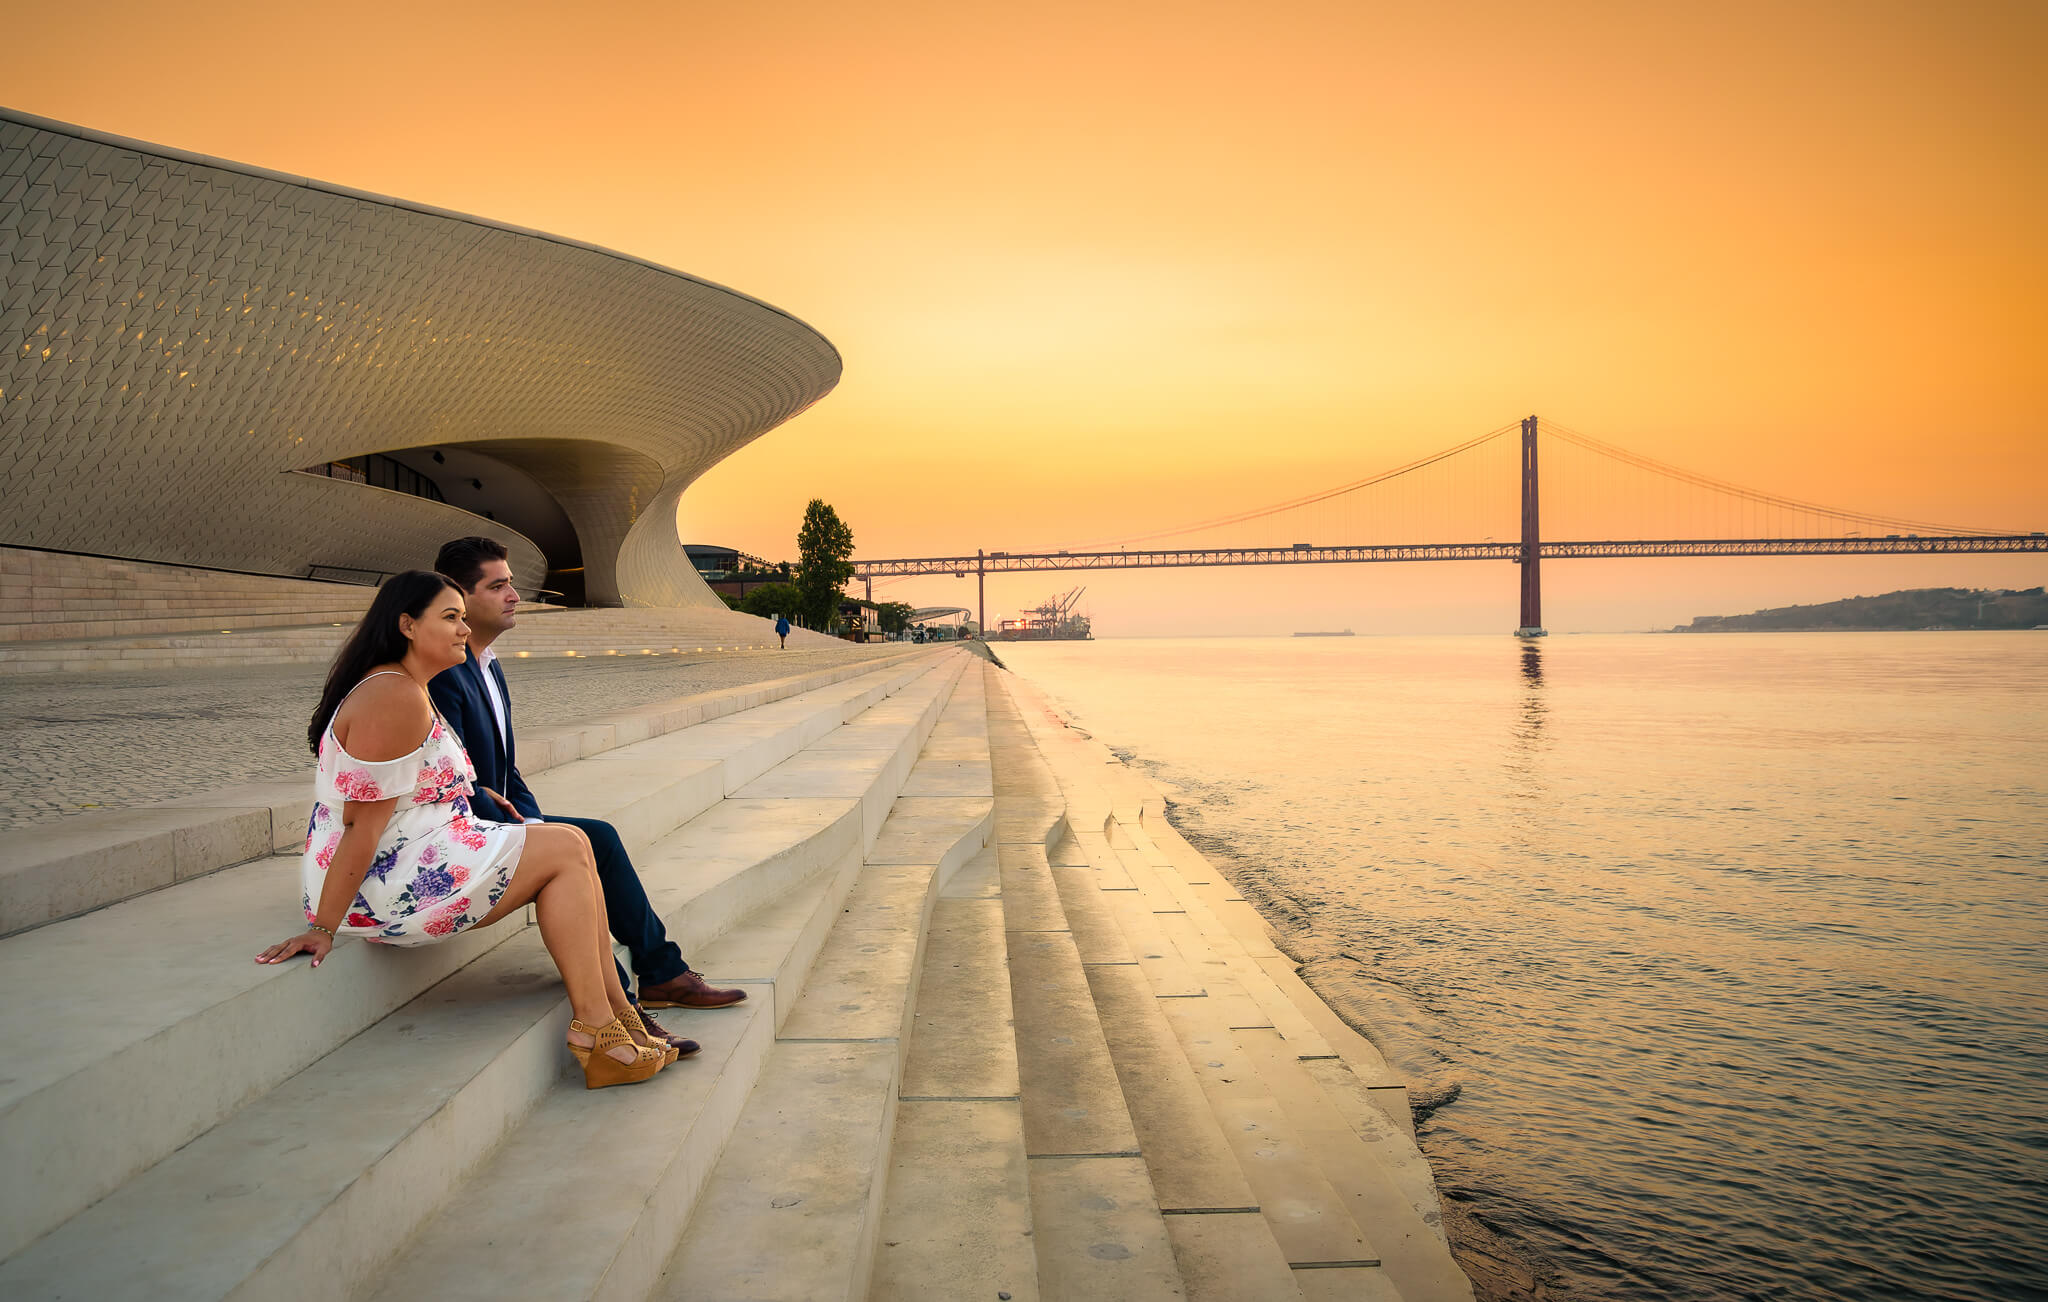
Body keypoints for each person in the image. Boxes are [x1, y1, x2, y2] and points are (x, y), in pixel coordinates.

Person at [257, 571, 672, 1090]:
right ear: (407, 624)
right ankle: (600, 1027)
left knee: (575, 844)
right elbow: (360, 827)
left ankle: (615, 1023)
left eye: (462, 616)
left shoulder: (406, 686)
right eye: (450, 617)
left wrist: (469, 793)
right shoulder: (392, 695)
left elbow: (412, 784)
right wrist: (322, 927)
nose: (463, 628)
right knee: (567, 849)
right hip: (384, 885)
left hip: (418, 852)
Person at [428, 538, 746, 1045]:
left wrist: (532, 821)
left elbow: (507, 770)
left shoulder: (487, 665)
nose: (514, 594)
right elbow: (460, 781)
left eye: (511, 583)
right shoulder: (446, 672)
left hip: (496, 818)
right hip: (462, 830)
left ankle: (660, 972)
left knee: (593, 836)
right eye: (499, 585)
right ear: (461, 599)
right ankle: (627, 1004)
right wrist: (530, 829)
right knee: (582, 845)